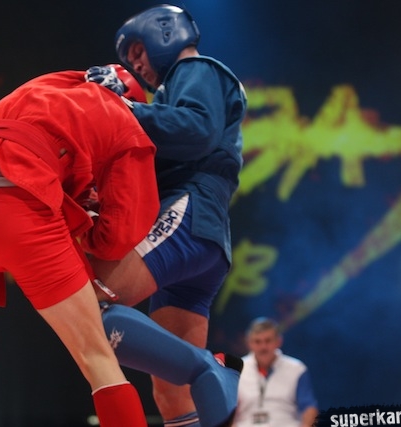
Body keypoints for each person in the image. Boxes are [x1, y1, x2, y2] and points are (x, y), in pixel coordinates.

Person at [0, 67, 160, 427]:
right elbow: (119, 235)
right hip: (20, 202)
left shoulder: (42, 86)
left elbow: (21, 146)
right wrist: (87, 230)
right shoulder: (125, 120)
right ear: (132, 103)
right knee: (98, 359)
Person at [85, 4, 248, 427]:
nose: (136, 64)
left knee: (87, 299)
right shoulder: (174, 92)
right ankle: (206, 372)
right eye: (130, 60)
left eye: (137, 51)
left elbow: (196, 130)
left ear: (165, 31)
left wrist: (122, 109)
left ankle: (213, 367)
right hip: (202, 235)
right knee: (173, 394)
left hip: (189, 213)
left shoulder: (196, 70)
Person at [232, 317, 318, 427]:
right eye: (258, 342)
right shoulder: (235, 369)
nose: (263, 347)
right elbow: (227, 411)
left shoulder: (297, 369)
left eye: (268, 341)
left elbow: (309, 407)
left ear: (278, 341)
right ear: (249, 343)